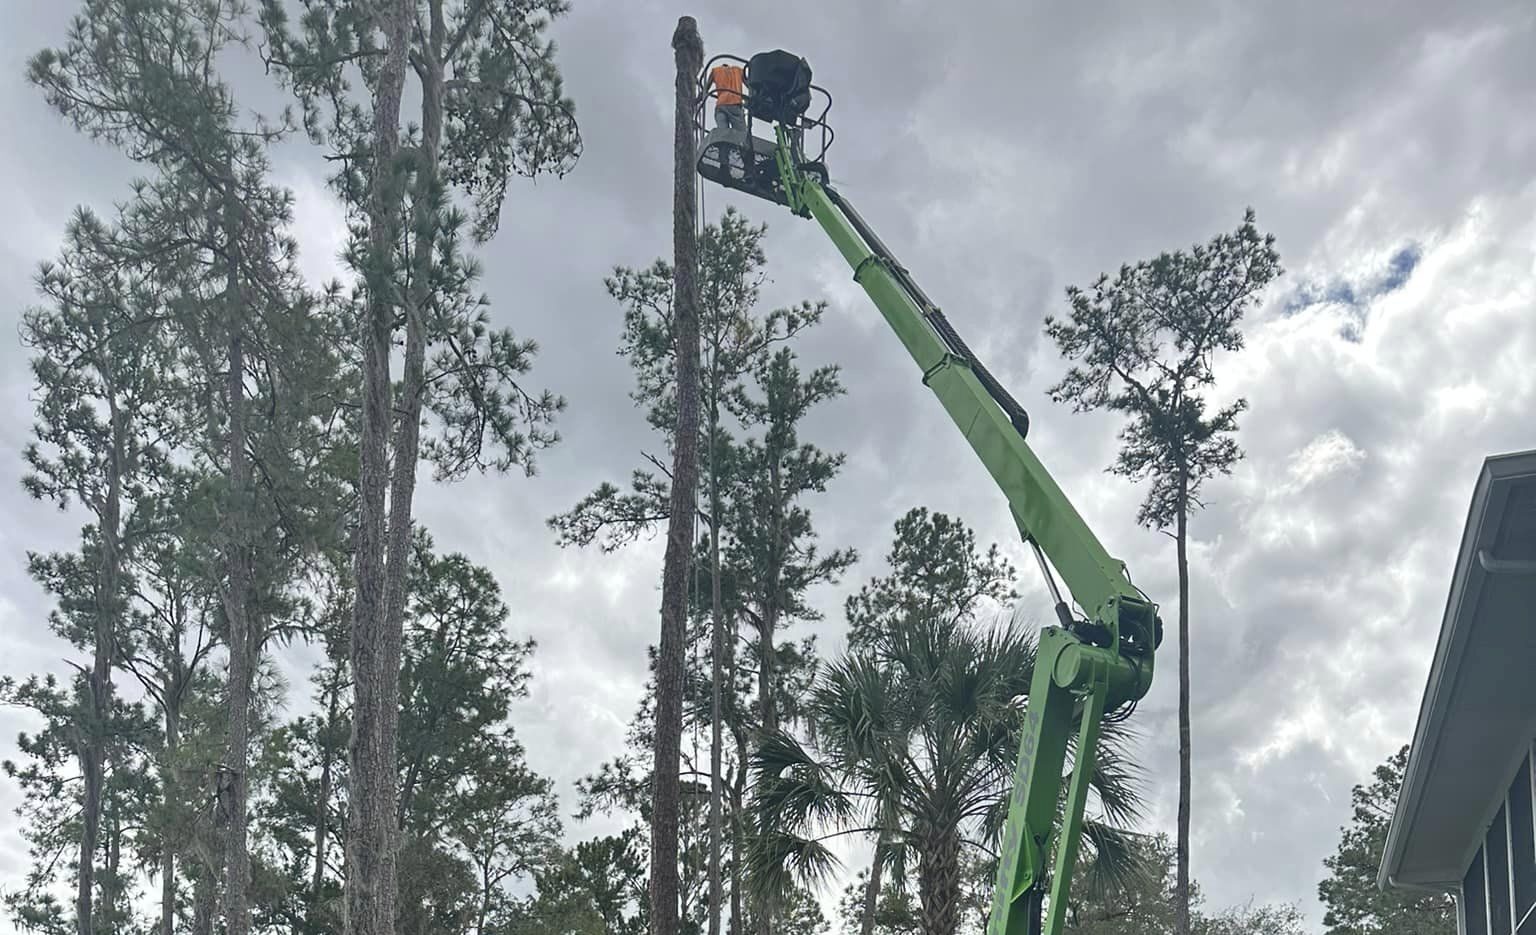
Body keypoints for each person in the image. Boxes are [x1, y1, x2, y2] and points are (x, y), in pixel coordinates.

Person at [708, 62, 746, 131]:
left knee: (723, 132)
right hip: (735, 105)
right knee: (741, 134)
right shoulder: (738, 70)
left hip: (721, 105)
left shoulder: (715, 70)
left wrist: (696, 101)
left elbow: (705, 89)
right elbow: (750, 85)